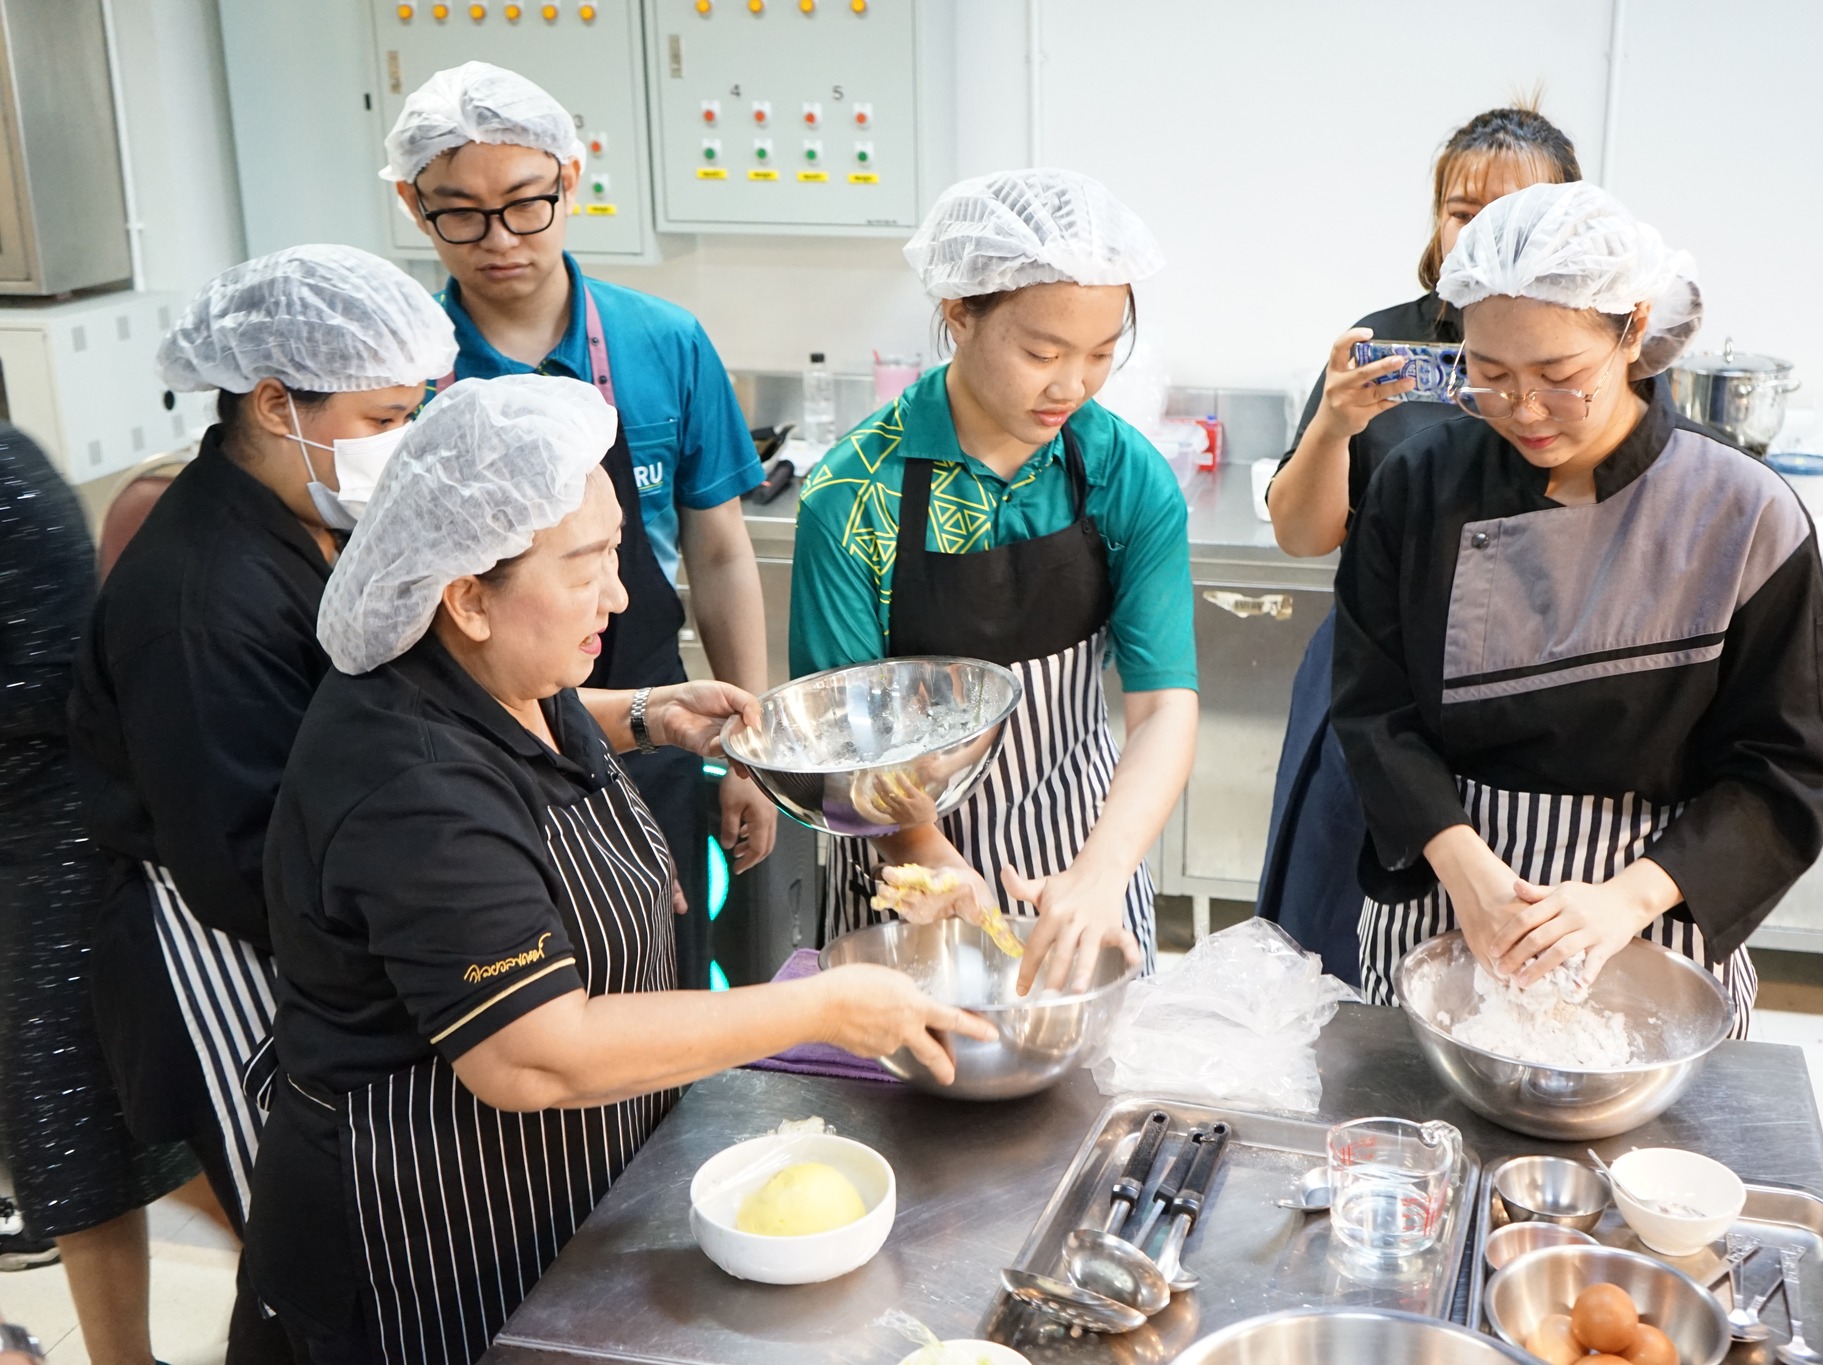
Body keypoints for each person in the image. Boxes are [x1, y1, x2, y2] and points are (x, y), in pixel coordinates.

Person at [245, 375, 992, 1364]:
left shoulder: (497, 667)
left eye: (615, 551)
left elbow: (531, 731)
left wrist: (646, 714)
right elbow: (537, 1056)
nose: (621, 594)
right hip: (423, 1241)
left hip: (554, 1196)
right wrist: (819, 1007)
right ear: (467, 597)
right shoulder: (412, 791)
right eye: (585, 567)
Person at [1329, 181, 1823, 1030]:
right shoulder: (1417, 486)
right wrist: (1469, 874)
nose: (1525, 410)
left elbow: (1790, 765)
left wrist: (1623, 900)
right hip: (1444, 898)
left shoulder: (1742, 513)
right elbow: (1373, 707)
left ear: (1633, 330)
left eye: (1561, 377)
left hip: (1653, 921)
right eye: (1490, 376)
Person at [69, 244, 456, 1360]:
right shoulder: (199, 597)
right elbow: (241, 860)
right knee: (315, 1265)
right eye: (383, 417)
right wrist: (412, 946)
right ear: (279, 401)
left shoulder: (307, 520)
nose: (401, 440)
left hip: (311, 928)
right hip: (225, 961)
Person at [382, 62, 777, 969]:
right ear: (412, 203)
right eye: (459, 213)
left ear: (571, 177)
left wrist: (749, 754)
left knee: (665, 981)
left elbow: (720, 553)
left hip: (649, 720)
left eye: (526, 203)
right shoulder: (403, 381)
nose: (498, 240)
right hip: (474, 751)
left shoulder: (663, 343)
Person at [790, 169, 1200, 994]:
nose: (1072, 386)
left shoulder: (1122, 474)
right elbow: (847, 745)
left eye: (1100, 353)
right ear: (959, 313)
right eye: (1042, 353)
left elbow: (1162, 707)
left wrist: (1100, 874)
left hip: (1082, 861)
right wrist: (928, 857)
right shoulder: (854, 496)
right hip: (903, 877)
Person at [1258, 106, 1582, 983]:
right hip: (1371, 687)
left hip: (1530, 695)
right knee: (1334, 959)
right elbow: (1301, 534)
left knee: (1501, 964)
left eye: (1513, 212)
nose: (1479, 233)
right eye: (1461, 210)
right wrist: (1334, 427)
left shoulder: (1584, 367)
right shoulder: (1387, 345)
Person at [0, 426, 199, 1363]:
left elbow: (44, 693)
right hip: (35, 829)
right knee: (72, 1126)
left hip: (55, 833)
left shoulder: (9, 481)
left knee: (81, 1112)